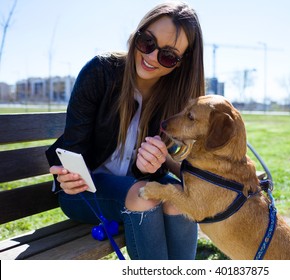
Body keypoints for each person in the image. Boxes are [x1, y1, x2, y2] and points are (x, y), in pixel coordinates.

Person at [46, 1, 205, 260]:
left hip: (135, 183)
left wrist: (154, 165)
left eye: (167, 55)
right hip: (85, 190)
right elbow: (73, 149)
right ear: (136, 35)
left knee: (179, 198)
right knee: (145, 196)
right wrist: (66, 176)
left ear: (181, 63)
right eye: (147, 42)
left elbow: (161, 164)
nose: (152, 57)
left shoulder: (175, 96)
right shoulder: (100, 72)